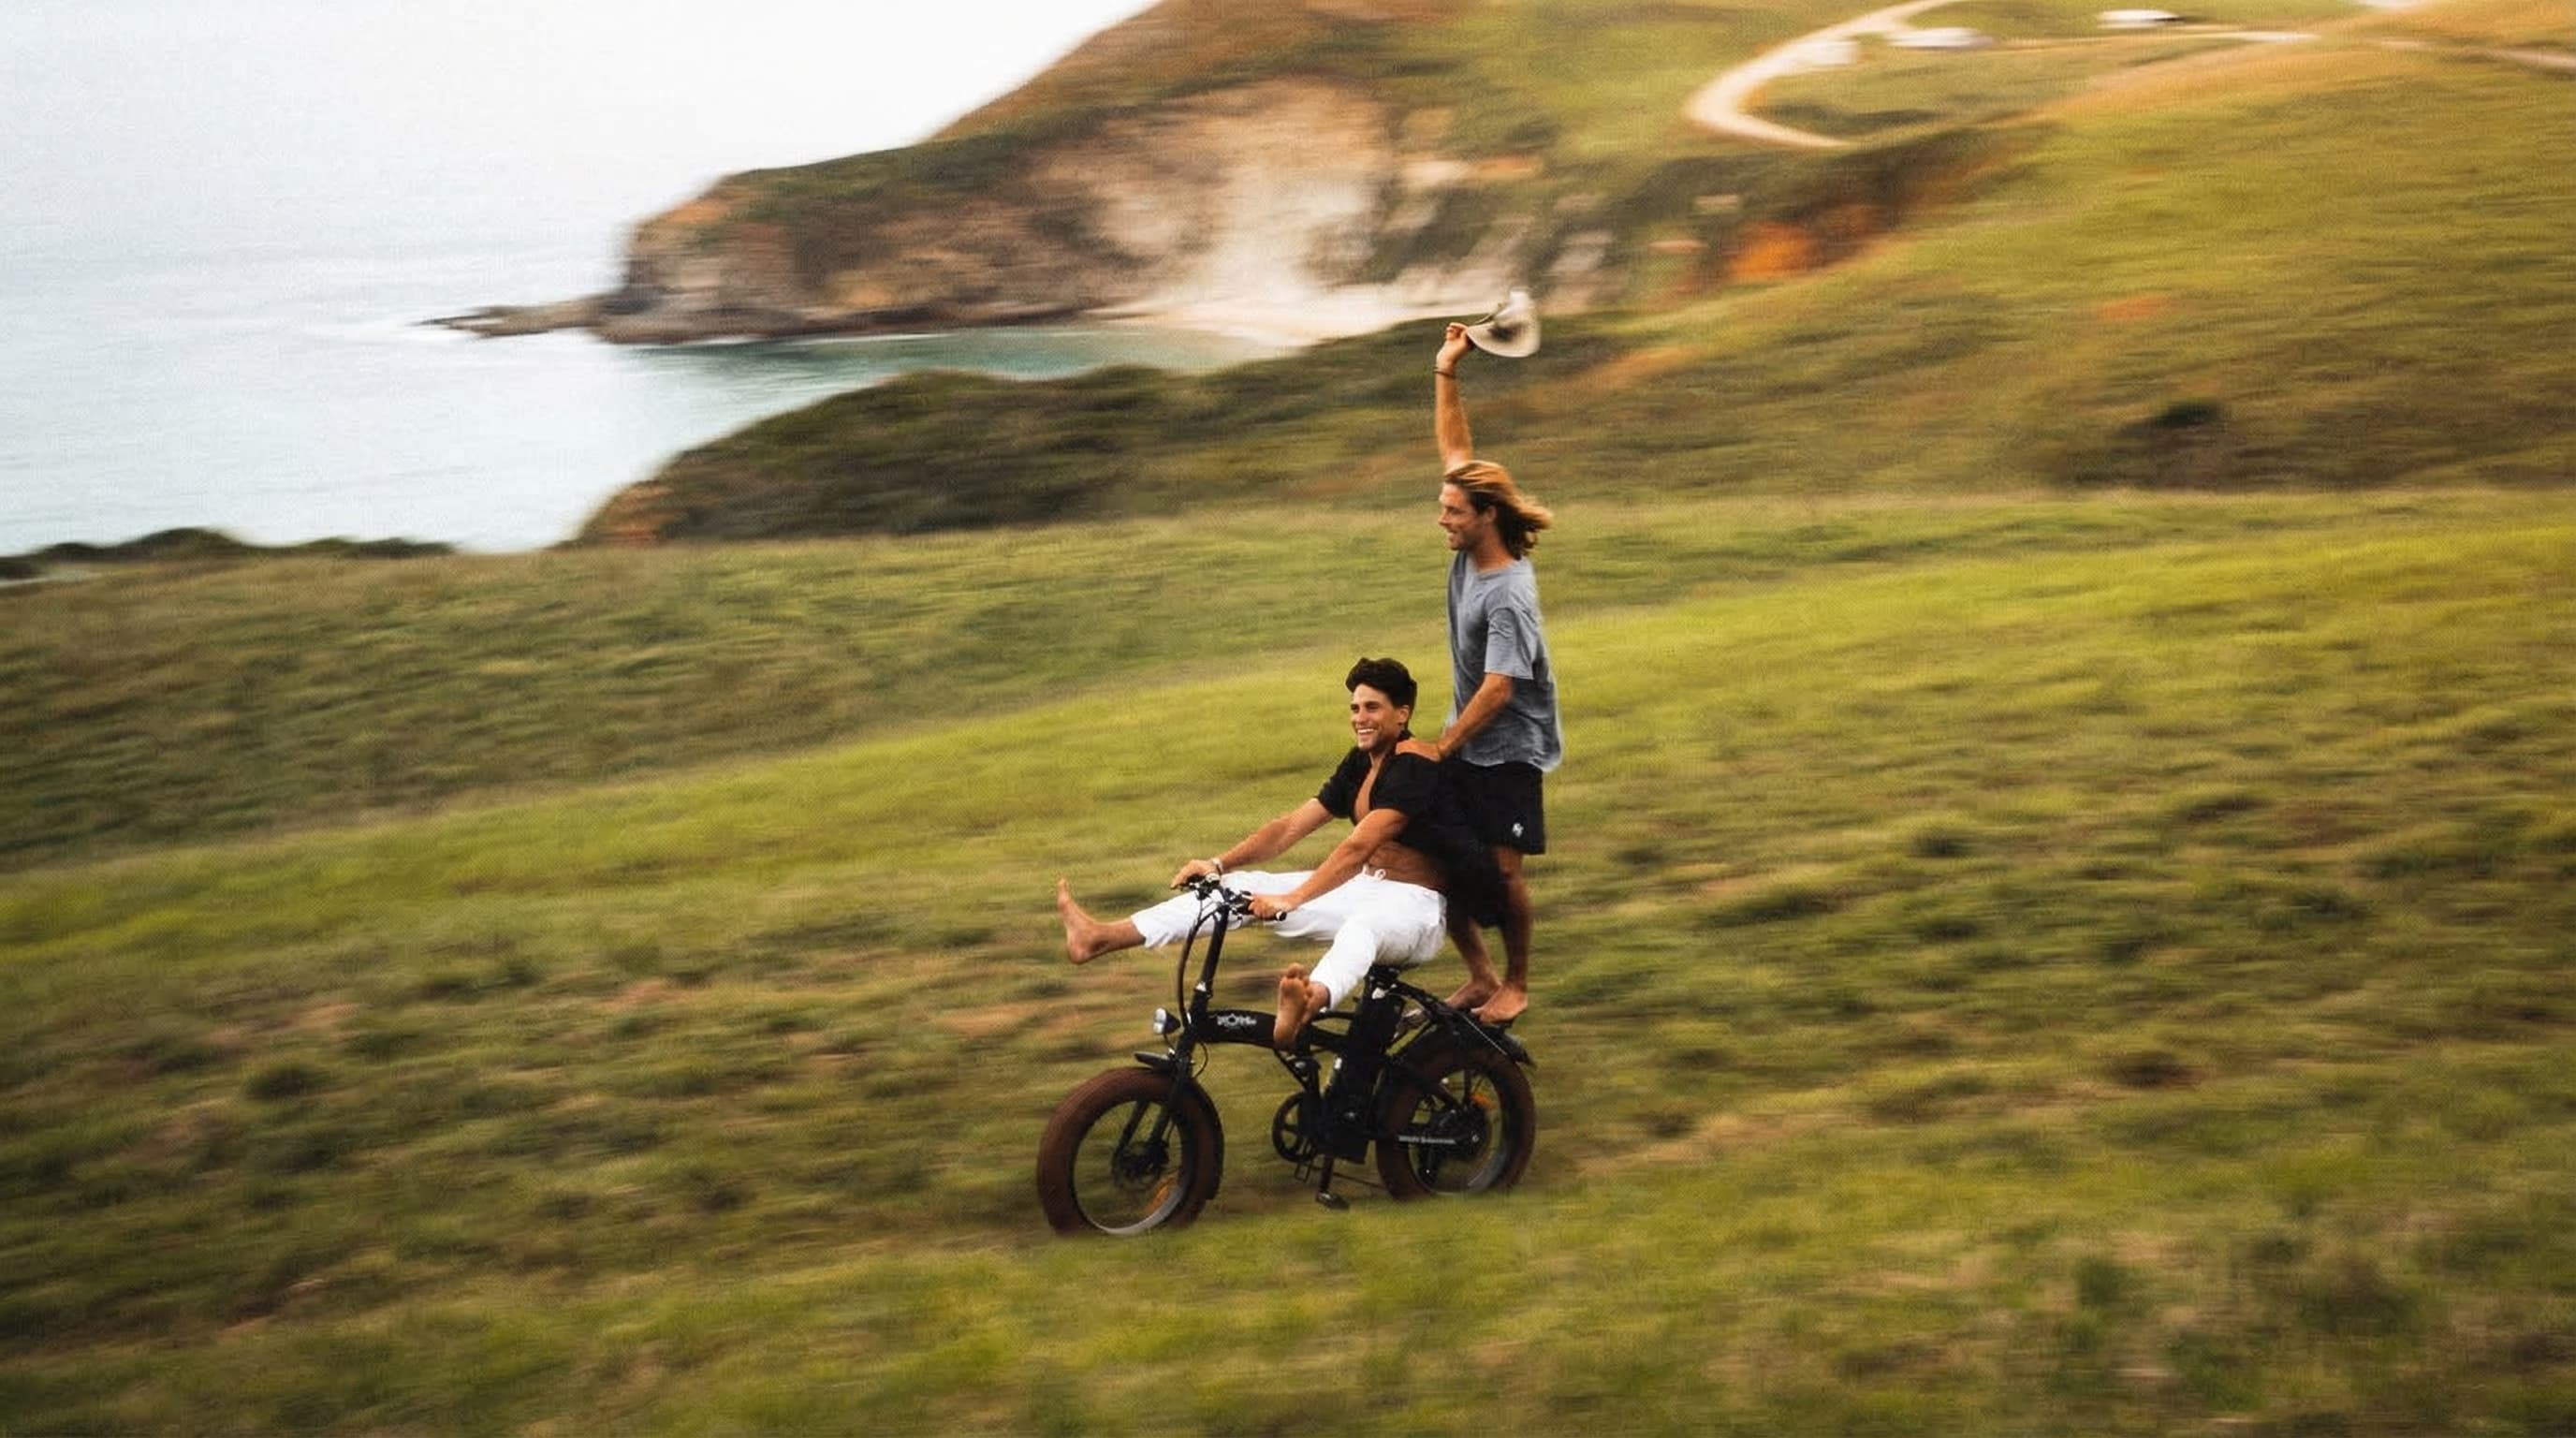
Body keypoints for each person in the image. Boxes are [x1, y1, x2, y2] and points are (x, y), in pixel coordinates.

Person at [1056, 658, 1504, 1048]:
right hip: (1366, 888)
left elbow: (1358, 846)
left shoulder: (1416, 766)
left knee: (1360, 929)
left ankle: (1310, 1001)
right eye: (1354, 708)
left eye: (1372, 707)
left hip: (1417, 912)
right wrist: (1218, 864)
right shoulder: (1358, 765)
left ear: (1402, 713)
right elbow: (1288, 828)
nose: (1359, 717)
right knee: (1236, 890)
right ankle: (1103, 937)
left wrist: (1294, 899)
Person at [1430, 321, 1563, 1027]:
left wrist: (1443, 747)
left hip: (1507, 747)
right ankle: (1478, 976)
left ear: (1486, 517)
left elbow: (1500, 689)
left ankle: (1514, 982)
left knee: (1504, 872)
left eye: (1453, 513)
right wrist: (1447, 369)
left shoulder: (1508, 592)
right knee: (1436, 850)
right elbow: (1456, 450)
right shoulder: (1470, 541)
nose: (1441, 520)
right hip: (1466, 738)